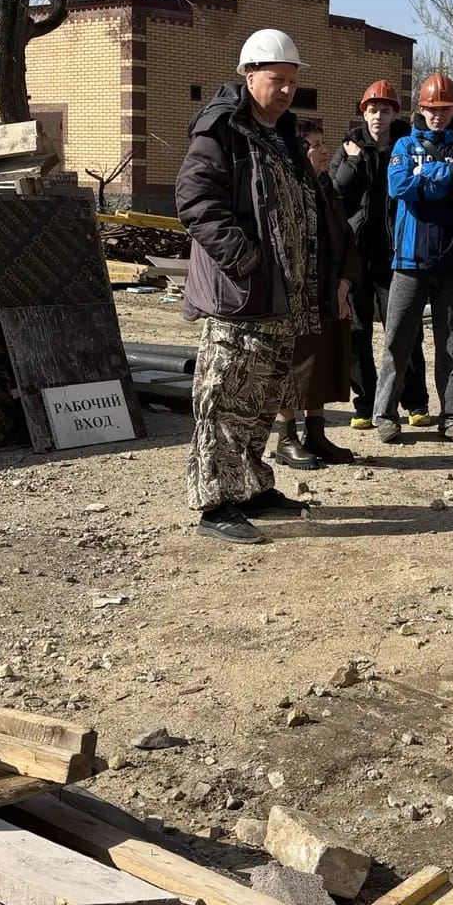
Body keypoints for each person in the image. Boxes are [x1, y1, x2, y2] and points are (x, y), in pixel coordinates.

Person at [177, 29, 348, 545]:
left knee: (262, 397)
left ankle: (250, 487)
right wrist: (244, 260)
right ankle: (215, 504)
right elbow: (196, 202)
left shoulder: (285, 135)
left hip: (279, 300)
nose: (287, 90)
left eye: (293, 81)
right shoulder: (221, 130)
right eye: (277, 79)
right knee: (225, 398)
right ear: (249, 75)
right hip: (241, 296)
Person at [375, 73, 453, 443]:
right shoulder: (405, 144)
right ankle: (385, 415)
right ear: (421, 109)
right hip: (409, 260)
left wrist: (428, 172)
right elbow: (399, 185)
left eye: (445, 109)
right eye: (431, 109)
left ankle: (452, 417)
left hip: (452, 261)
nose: (437, 115)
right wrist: (449, 175)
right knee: (397, 341)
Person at [333, 82, 427, 431]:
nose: (378, 116)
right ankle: (365, 403)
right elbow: (335, 193)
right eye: (372, 110)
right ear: (364, 112)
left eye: (385, 110)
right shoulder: (349, 148)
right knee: (357, 333)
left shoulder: (410, 146)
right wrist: (353, 162)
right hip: (357, 257)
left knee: (404, 332)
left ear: (394, 114)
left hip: (396, 255)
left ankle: (414, 400)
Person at [269, 118, 363, 469]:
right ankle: (286, 438)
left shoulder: (324, 187)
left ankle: (316, 434)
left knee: (321, 361)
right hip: (297, 293)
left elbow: (347, 239)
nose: (324, 151)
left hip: (329, 291)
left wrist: (344, 283)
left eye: (324, 143)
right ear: (298, 150)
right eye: (315, 145)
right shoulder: (289, 188)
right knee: (293, 362)